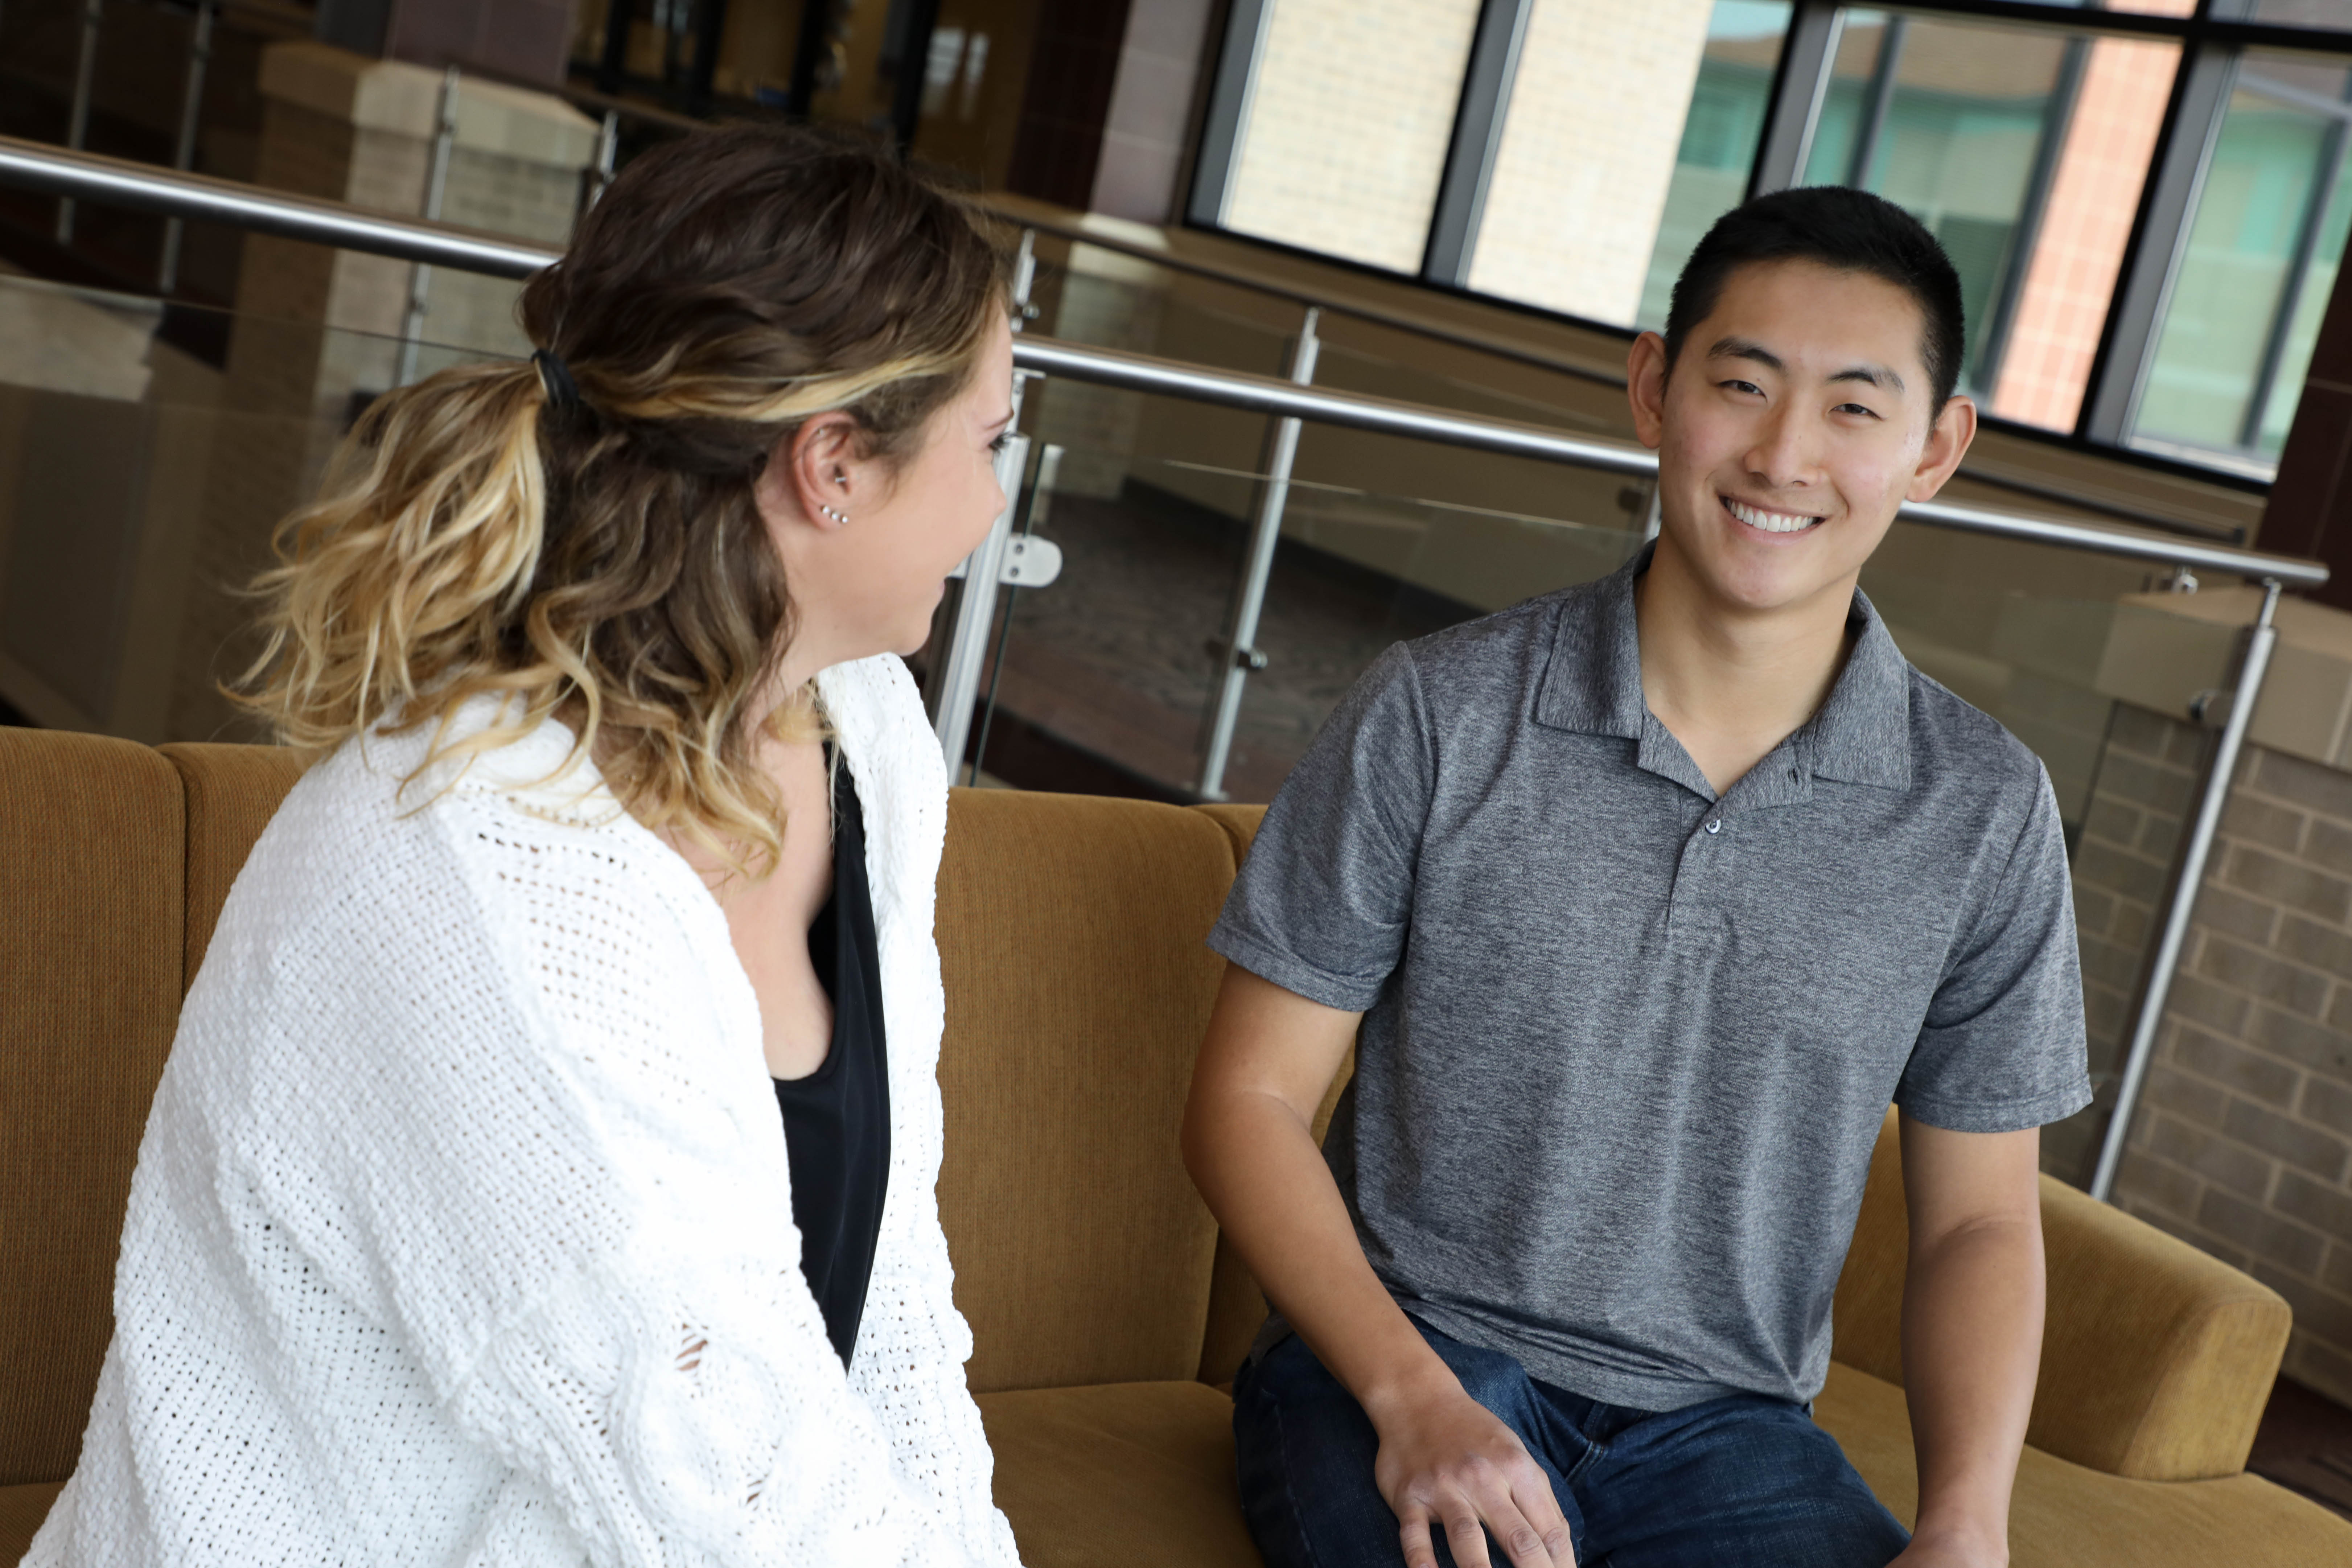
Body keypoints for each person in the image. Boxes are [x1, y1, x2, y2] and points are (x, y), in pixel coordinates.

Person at [29, 124, 1028, 1568]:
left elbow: (889, 1309)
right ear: (830, 467)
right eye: (987, 441)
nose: (996, 506)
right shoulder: (480, 873)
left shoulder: (864, 737)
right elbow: (723, 1478)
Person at [1182, 186, 2090, 1568]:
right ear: (1655, 389)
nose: (1785, 454)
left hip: (1730, 1433)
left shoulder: (1980, 809)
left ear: (1935, 448)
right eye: (1742, 384)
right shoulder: (1441, 712)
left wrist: (1967, 1521)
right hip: (1405, 1361)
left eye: (1854, 407)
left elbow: (1978, 1219)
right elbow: (1247, 1100)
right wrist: (1411, 1395)